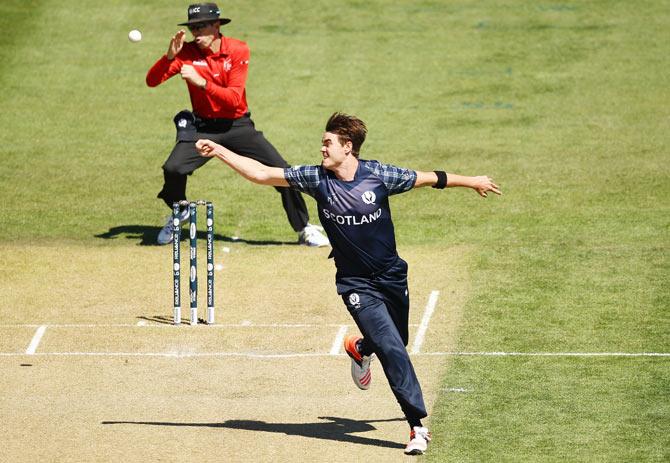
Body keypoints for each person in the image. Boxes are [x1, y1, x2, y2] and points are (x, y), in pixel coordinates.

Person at [195, 112, 502, 455]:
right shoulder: (315, 178)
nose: (322, 149)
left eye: (328, 143)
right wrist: (220, 151)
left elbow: (431, 178)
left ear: (348, 147)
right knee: (393, 349)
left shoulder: (380, 175)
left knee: (395, 340)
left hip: (391, 276)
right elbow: (263, 174)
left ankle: (360, 349)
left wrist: (472, 180)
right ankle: (417, 426)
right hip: (355, 283)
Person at [145, 3, 328, 247]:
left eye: (202, 27)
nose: (197, 33)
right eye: (193, 28)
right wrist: (169, 57)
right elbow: (151, 81)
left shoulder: (237, 50)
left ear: (217, 26)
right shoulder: (185, 52)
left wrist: (202, 83)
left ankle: (304, 227)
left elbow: (233, 97)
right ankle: (181, 210)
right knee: (173, 169)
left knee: (282, 171)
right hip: (202, 126)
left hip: (237, 125)